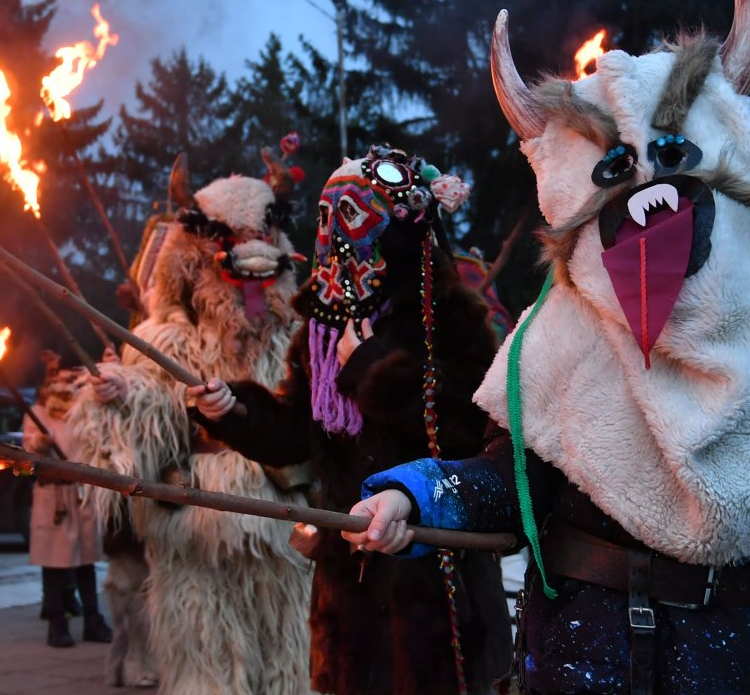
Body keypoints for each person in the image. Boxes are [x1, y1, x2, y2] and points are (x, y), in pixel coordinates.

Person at [347, 0, 750, 692]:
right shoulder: (559, 336)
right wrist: (409, 497)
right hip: (584, 663)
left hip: (744, 667)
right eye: (616, 173)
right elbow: (507, 481)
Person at [190, 147, 511, 694]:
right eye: (328, 220)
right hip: (351, 581)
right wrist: (236, 412)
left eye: (356, 219)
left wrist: (371, 374)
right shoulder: (322, 332)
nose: (339, 241)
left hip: (433, 575)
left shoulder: (451, 316)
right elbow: (299, 431)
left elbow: (463, 432)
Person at [68, 150, 313, 694]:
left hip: (285, 519)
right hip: (198, 520)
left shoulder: (302, 333)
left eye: (262, 231)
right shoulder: (166, 338)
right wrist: (116, 394)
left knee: (288, 650)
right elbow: (149, 405)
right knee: (206, 654)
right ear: (193, 252)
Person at [22, 364, 112, 648]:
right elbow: (28, 451)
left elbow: (97, 444)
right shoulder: (37, 414)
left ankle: (92, 620)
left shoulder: (86, 409)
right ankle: (56, 622)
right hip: (53, 496)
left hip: (80, 492)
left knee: (86, 561)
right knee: (54, 564)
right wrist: (40, 442)